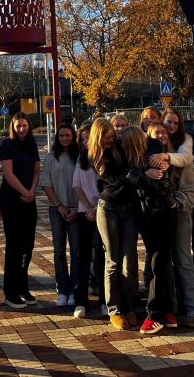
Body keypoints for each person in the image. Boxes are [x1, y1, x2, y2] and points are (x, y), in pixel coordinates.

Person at [147, 122, 194, 329]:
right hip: (155, 215)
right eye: (156, 133)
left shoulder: (178, 159)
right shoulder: (146, 160)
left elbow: (192, 187)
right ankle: (170, 308)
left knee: (183, 258)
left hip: (178, 212)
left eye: (163, 132)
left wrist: (175, 201)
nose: (160, 135)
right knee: (162, 262)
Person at [124, 125, 179, 335]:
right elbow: (128, 176)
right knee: (160, 262)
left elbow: (160, 185)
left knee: (160, 261)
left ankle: (154, 313)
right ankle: (166, 312)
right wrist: (142, 174)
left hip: (162, 214)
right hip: (146, 216)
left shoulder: (155, 157)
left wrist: (143, 175)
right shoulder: (135, 160)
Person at [89, 118, 140, 331]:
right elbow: (115, 183)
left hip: (129, 207)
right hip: (109, 208)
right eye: (107, 137)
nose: (111, 140)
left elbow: (132, 169)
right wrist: (132, 178)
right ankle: (115, 309)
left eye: (112, 136)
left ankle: (129, 305)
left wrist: (132, 177)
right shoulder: (96, 155)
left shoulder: (121, 148)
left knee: (129, 260)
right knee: (112, 260)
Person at [160, 109, 194, 304]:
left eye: (175, 123)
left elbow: (186, 158)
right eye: (168, 122)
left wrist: (165, 157)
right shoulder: (156, 142)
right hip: (167, 203)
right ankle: (177, 294)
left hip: (191, 199)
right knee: (172, 252)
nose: (171, 126)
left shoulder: (184, 140)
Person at [0, 112, 40, 310]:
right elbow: (8, 173)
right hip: (11, 199)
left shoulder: (32, 144)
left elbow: (36, 171)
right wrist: (24, 191)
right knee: (14, 247)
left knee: (28, 246)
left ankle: (23, 287)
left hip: (29, 199)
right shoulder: (7, 144)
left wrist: (31, 191)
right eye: (18, 125)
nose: (22, 129)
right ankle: (10, 291)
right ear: (12, 126)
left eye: (25, 125)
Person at [41, 123, 80, 307]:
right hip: (56, 209)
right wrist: (59, 205)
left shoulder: (79, 157)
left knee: (76, 251)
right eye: (61, 135)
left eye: (68, 135)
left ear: (73, 137)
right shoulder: (50, 158)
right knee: (58, 250)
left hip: (76, 208)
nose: (65, 138)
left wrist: (76, 207)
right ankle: (62, 290)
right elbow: (46, 184)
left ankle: (74, 289)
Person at [72, 122, 105, 319]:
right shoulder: (80, 160)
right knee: (83, 257)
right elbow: (76, 185)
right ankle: (81, 301)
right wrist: (88, 207)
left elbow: (107, 185)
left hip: (102, 211)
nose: (85, 142)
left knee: (101, 258)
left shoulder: (103, 157)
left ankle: (103, 300)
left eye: (88, 138)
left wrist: (96, 207)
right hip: (85, 212)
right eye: (82, 138)